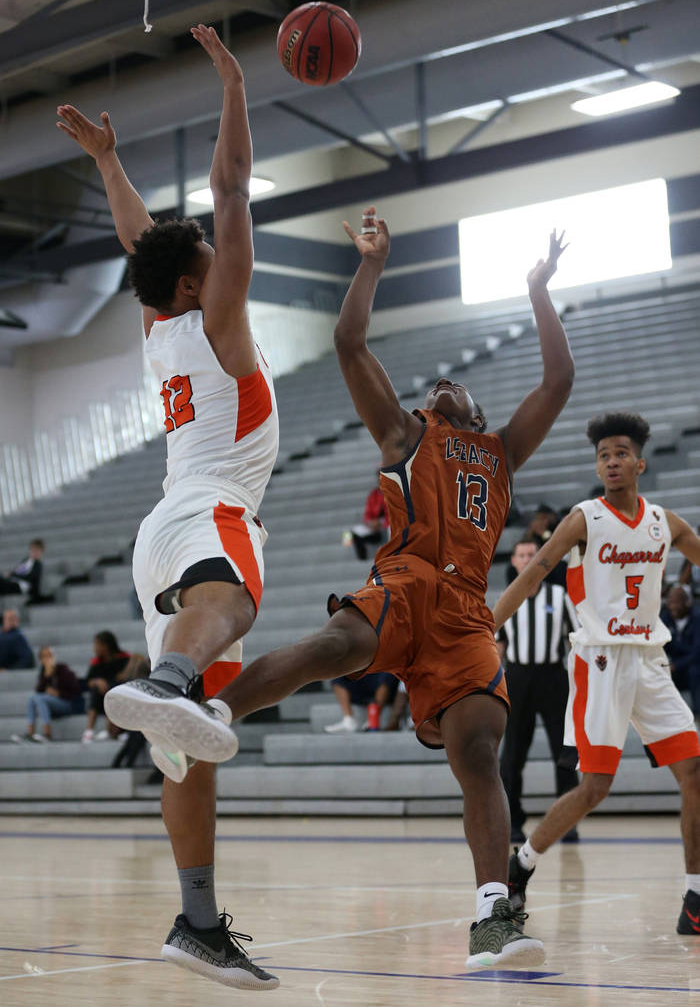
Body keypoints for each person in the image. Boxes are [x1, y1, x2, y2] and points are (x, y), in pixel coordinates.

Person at [156, 212, 574, 968]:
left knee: (479, 753)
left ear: (476, 411)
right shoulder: (406, 436)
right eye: (436, 383)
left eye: (459, 384)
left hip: (468, 615)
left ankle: (492, 916)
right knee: (333, 646)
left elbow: (558, 381)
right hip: (407, 583)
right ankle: (205, 711)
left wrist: (538, 291)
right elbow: (350, 344)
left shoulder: (502, 450)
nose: (445, 382)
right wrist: (373, 264)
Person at [56, 24, 279, 991]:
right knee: (236, 605)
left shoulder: (164, 323)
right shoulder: (216, 318)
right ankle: (171, 674)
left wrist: (111, 163)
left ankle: (196, 923)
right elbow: (228, 190)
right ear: (199, 282)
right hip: (209, 507)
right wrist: (234, 85)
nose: (217, 240)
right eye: (206, 251)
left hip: (161, 531)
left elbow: (137, 237)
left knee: (188, 755)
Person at [495, 412, 700, 937]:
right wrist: (486, 625)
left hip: (650, 660)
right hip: (599, 661)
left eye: (620, 453)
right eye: (603, 454)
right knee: (594, 788)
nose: (611, 461)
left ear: (639, 462)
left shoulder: (665, 523)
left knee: (695, 773)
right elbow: (535, 571)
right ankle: (523, 864)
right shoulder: (584, 518)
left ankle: (696, 899)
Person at [497, 538, 579, 844]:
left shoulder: (560, 596)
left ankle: (567, 821)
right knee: (513, 752)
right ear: (515, 562)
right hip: (518, 678)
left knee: (565, 750)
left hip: (553, 678)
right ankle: (512, 820)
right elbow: (498, 644)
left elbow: (575, 639)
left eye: (533, 554)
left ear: (543, 559)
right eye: (522, 555)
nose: (528, 558)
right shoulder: (509, 598)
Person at [10, 645, 84, 742]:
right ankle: (30, 733)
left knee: (39, 698)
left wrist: (58, 693)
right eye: (44, 656)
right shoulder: (43, 672)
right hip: (51, 704)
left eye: (49, 655)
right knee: (32, 698)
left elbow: (75, 690)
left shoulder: (63, 669)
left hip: (67, 703)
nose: (47, 659)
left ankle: (47, 733)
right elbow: (39, 690)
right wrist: (47, 676)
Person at [81, 631, 130, 742]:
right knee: (95, 692)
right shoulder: (97, 662)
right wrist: (97, 681)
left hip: (119, 696)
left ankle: (115, 731)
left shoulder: (124, 658)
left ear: (106, 646)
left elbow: (130, 676)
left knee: (115, 693)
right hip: (102, 696)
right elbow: (88, 681)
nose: (95, 648)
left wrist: (123, 676)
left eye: (97, 644)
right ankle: (89, 731)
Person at [661, 585, 700, 717]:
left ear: (687, 603)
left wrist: (675, 666)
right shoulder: (665, 617)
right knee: (658, 672)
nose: (673, 606)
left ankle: (698, 713)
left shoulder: (697, 618)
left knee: (695, 671)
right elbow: (661, 645)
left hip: (693, 664)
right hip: (675, 665)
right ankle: (666, 716)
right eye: (671, 602)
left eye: (677, 602)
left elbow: (697, 652)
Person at [324, 671, 398, 732]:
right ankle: (349, 720)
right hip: (361, 676)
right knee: (338, 673)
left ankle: (373, 719)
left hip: (380, 676)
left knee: (388, 673)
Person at [349, 474, 388, 559]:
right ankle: (362, 558)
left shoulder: (392, 492)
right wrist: (370, 523)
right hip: (374, 524)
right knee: (349, 535)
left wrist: (382, 523)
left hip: (387, 523)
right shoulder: (374, 494)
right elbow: (368, 513)